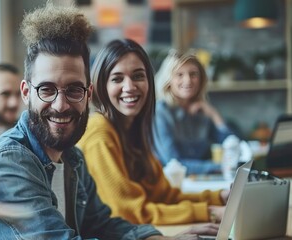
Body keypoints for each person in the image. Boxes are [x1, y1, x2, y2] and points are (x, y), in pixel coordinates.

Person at [0, 4, 218, 240]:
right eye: (46, 89)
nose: (61, 104)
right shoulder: (7, 162)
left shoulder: (72, 159)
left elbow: (104, 224)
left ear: (88, 94)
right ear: (26, 92)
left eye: (74, 90)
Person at [77, 39, 228, 226]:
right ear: (101, 85)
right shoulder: (99, 131)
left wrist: (221, 197)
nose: (129, 86)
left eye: (138, 76)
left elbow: (166, 196)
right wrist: (210, 212)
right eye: (117, 79)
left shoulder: (134, 130)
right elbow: (129, 212)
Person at [153, 50, 233, 175]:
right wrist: (218, 167)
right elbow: (174, 164)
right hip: (172, 185)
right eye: (179, 74)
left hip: (201, 182)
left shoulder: (202, 110)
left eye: (193, 74)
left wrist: (214, 114)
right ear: (168, 80)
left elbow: (231, 145)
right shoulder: (160, 112)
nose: (188, 80)